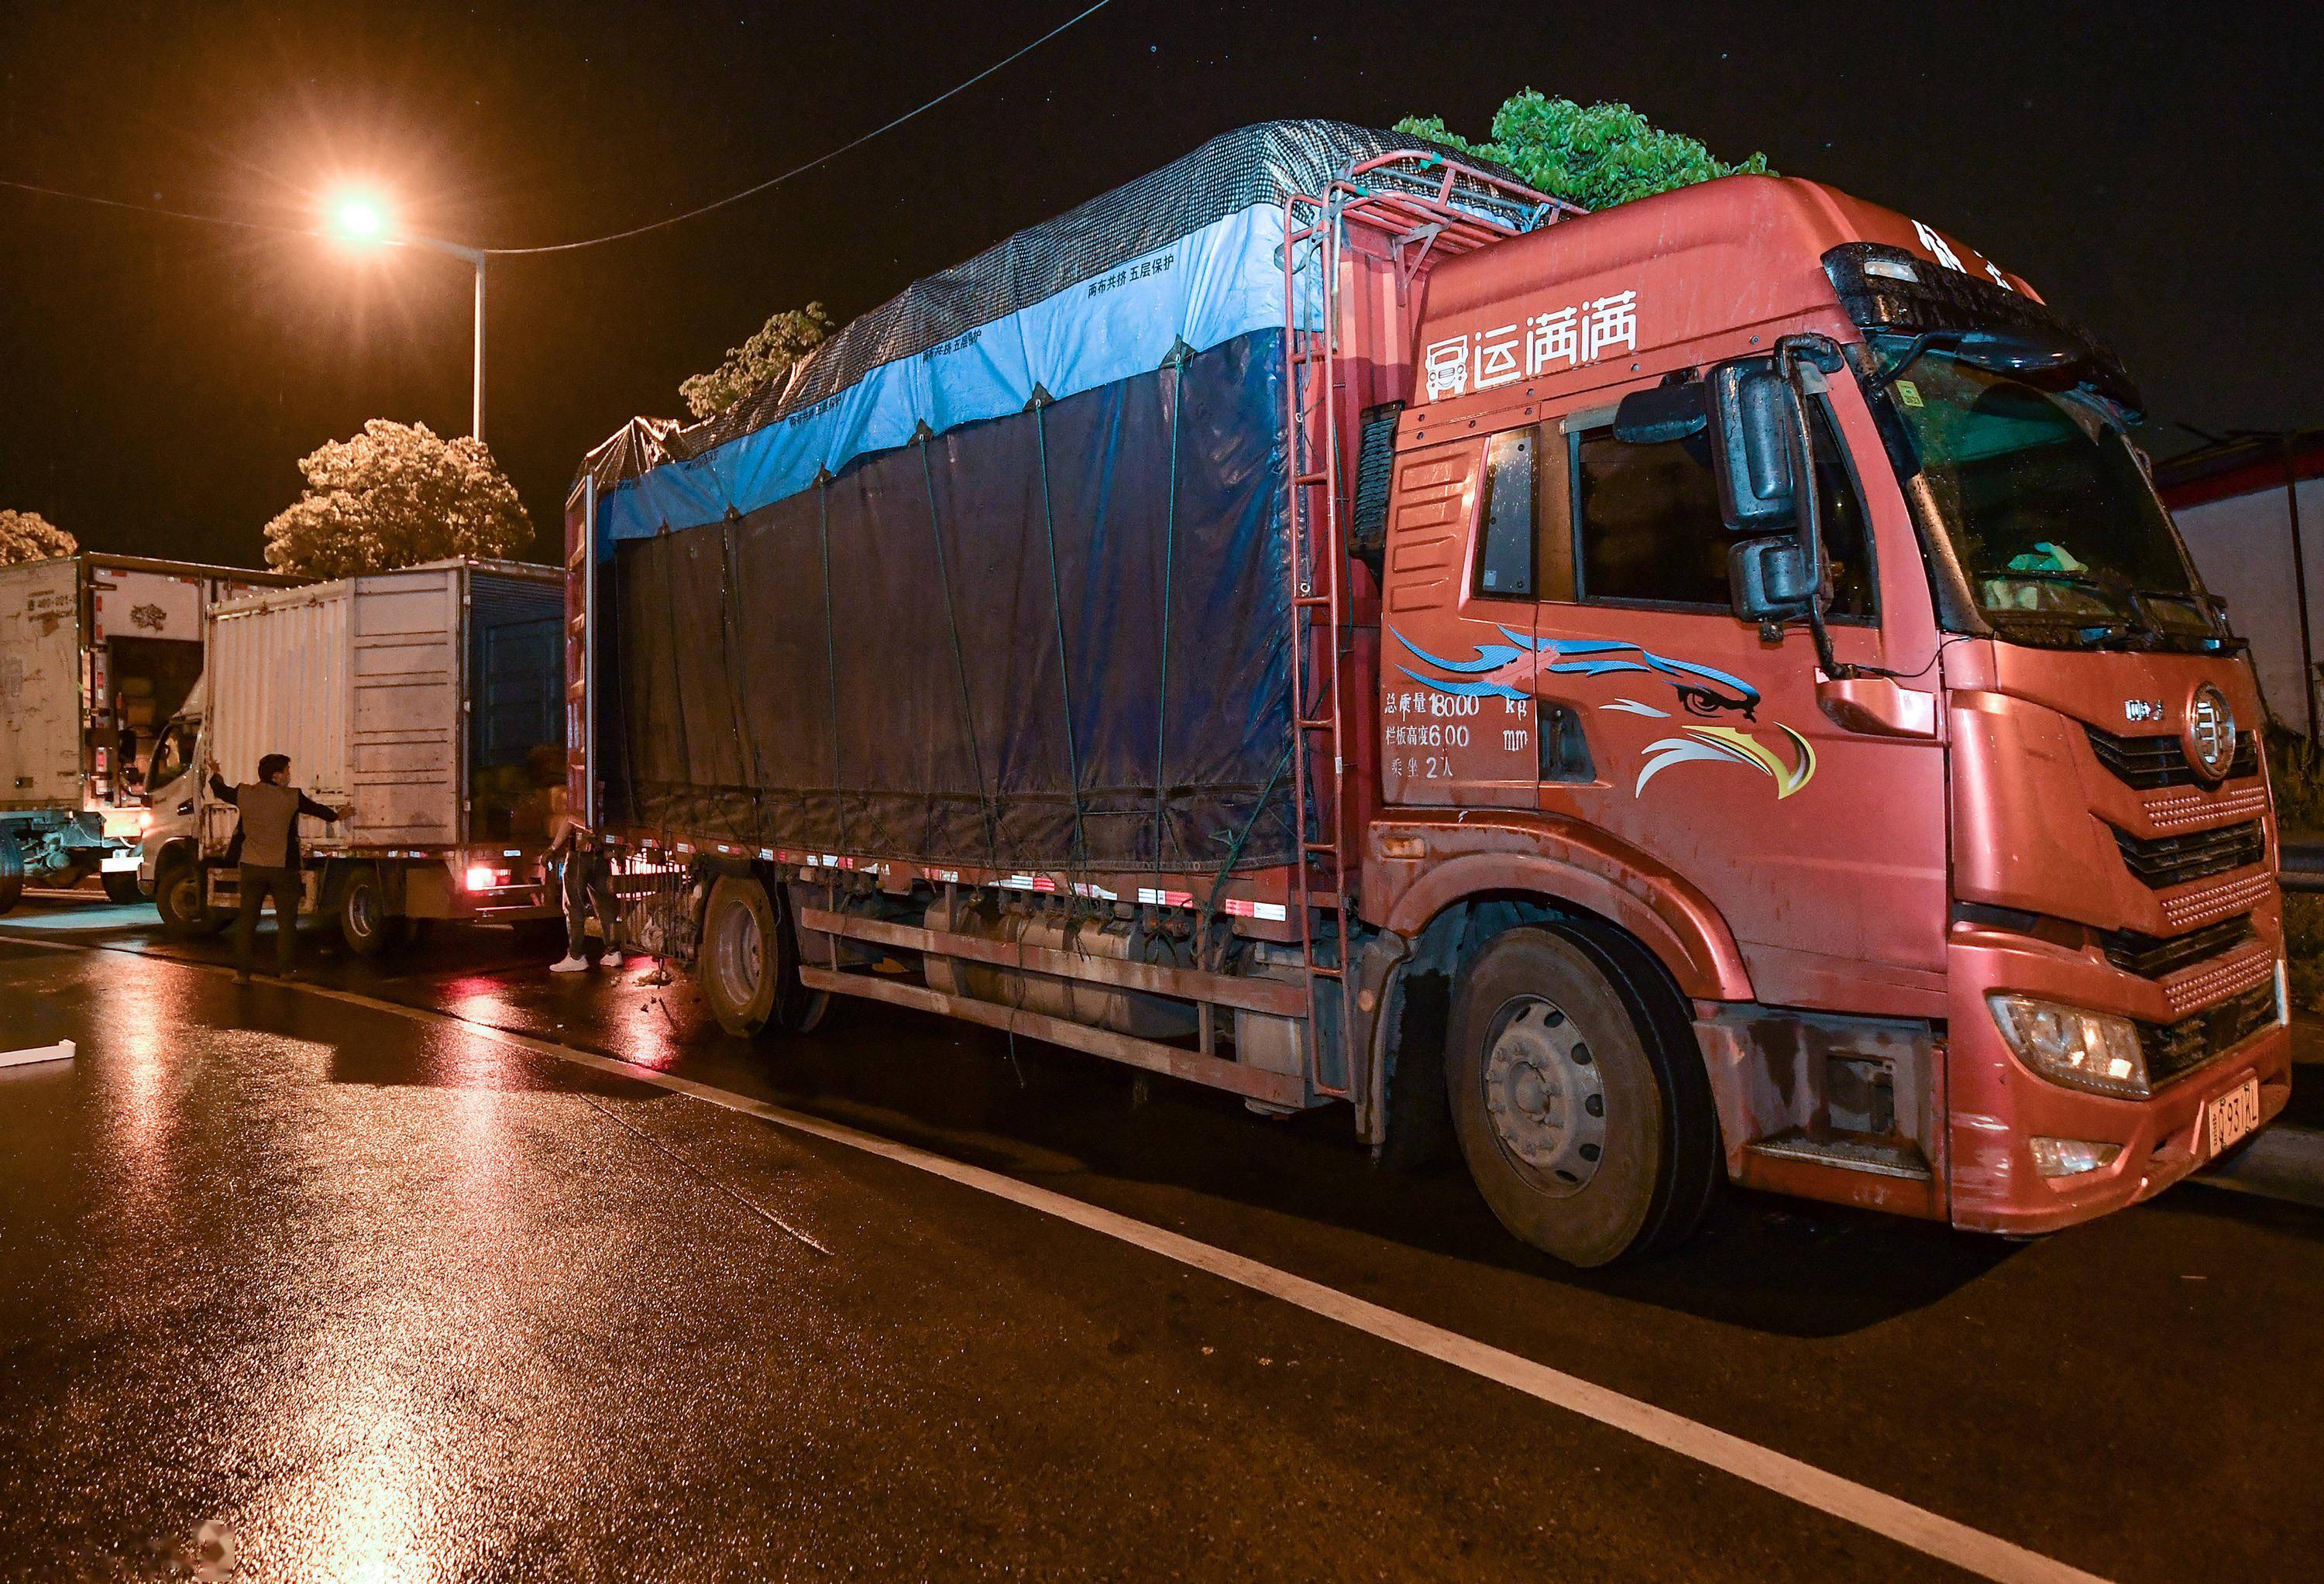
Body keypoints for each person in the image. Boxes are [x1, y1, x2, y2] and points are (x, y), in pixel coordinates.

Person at [205, 754, 349, 984]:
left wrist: (216, 772)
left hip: (251, 867)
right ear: (276, 776)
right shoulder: (292, 797)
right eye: (286, 770)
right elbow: (318, 810)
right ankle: (285, 971)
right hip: (283, 869)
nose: (289, 775)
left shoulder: (245, 793)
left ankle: (242, 974)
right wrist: (338, 816)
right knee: (286, 923)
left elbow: (220, 790)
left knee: (248, 922)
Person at [545, 810, 624, 973]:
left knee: (573, 905)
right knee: (604, 904)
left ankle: (576, 956)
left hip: (579, 857)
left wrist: (552, 849)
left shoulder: (579, 794)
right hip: (602, 857)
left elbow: (570, 818)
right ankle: (613, 952)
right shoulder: (604, 800)